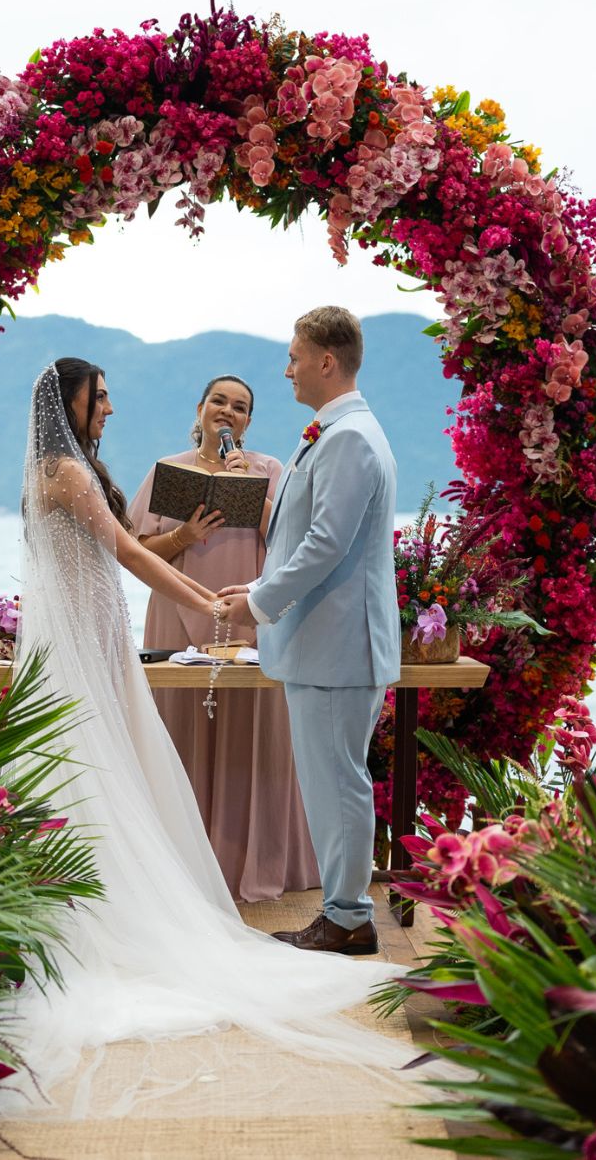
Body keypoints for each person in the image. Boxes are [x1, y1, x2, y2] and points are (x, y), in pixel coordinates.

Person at [0, 357, 407, 1120]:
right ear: (72, 401)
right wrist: (212, 604)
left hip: (94, 635)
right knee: (93, 770)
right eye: (102, 395)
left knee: (97, 771)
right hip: (89, 642)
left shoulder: (68, 465)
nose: (111, 406)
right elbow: (132, 550)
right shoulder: (67, 471)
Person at [217, 307, 400, 957]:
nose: (286, 367)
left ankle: (348, 916)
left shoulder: (349, 437)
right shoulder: (334, 431)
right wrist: (258, 589)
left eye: (295, 355)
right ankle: (341, 910)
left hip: (338, 645)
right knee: (330, 780)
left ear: (328, 360)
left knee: (339, 780)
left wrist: (260, 602)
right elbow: (304, 530)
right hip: (327, 643)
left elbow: (327, 542)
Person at [127, 375, 320, 902]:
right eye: (220, 401)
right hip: (178, 611)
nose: (228, 411)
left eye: (240, 407)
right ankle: (178, 864)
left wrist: (252, 493)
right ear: (201, 408)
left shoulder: (270, 470)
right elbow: (138, 552)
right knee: (179, 728)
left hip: (249, 614)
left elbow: (296, 545)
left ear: (248, 421)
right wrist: (184, 536)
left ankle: (245, 859)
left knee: (249, 732)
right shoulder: (169, 470)